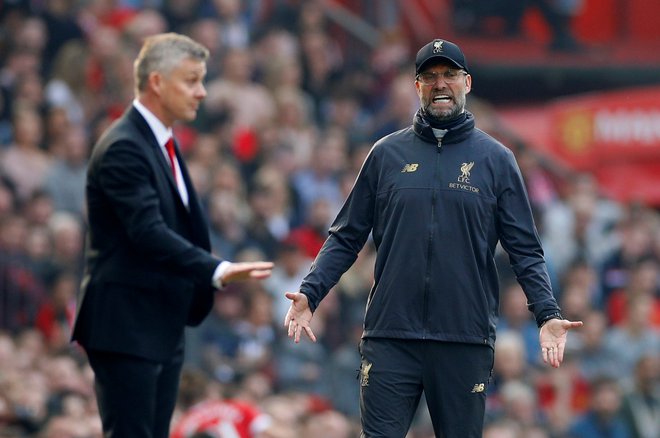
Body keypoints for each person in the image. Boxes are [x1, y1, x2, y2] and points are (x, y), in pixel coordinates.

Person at [283, 38, 583, 437]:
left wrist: (546, 314)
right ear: (417, 86)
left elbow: (525, 249)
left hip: (465, 338)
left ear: (468, 83)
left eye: (449, 76)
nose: (441, 84)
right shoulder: (385, 154)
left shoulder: (497, 160)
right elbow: (346, 236)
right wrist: (311, 292)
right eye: (430, 77)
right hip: (391, 336)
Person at [70, 33, 273, 438]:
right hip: (127, 326)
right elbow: (147, 233)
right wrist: (217, 270)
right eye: (191, 80)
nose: (202, 92)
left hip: (159, 323)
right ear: (157, 82)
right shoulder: (124, 147)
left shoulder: (160, 141)